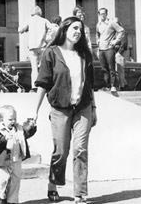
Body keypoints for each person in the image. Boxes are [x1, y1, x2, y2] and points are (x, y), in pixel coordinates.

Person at [34, 16, 97, 204]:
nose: (77, 31)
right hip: (60, 108)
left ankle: (80, 193)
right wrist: (34, 111)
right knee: (61, 150)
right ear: (65, 29)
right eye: (74, 28)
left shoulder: (84, 55)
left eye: (80, 29)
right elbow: (43, 83)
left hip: (83, 107)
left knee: (80, 149)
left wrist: (93, 108)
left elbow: (90, 84)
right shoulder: (51, 53)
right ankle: (53, 184)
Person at [0, 105, 36, 204]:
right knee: (5, 180)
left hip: (17, 159)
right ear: (2, 120)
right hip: (5, 161)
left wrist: (32, 126)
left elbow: (27, 133)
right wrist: (4, 138)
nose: (13, 121)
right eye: (10, 119)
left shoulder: (19, 129)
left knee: (16, 180)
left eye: (14, 119)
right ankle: (2, 195)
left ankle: (12, 200)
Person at [18, 6, 52, 92]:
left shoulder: (29, 20)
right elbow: (52, 29)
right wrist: (47, 38)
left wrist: (26, 30)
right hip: (42, 46)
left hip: (32, 47)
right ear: (40, 12)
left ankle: (35, 87)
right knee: (43, 67)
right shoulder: (44, 20)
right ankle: (44, 86)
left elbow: (20, 30)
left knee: (34, 68)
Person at [96, 8, 125, 92]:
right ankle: (107, 85)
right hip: (101, 49)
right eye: (101, 14)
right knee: (104, 69)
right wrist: (98, 40)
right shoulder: (98, 24)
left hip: (109, 49)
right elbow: (97, 34)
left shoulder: (111, 23)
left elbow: (121, 31)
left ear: (106, 14)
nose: (102, 15)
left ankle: (113, 86)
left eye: (104, 13)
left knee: (111, 68)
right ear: (99, 15)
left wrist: (116, 41)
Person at [112, 17, 128, 91]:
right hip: (113, 53)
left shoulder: (122, 32)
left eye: (116, 23)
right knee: (114, 71)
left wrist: (119, 53)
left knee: (120, 70)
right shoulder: (113, 32)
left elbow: (124, 44)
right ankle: (119, 85)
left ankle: (122, 86)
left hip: (119, 54)